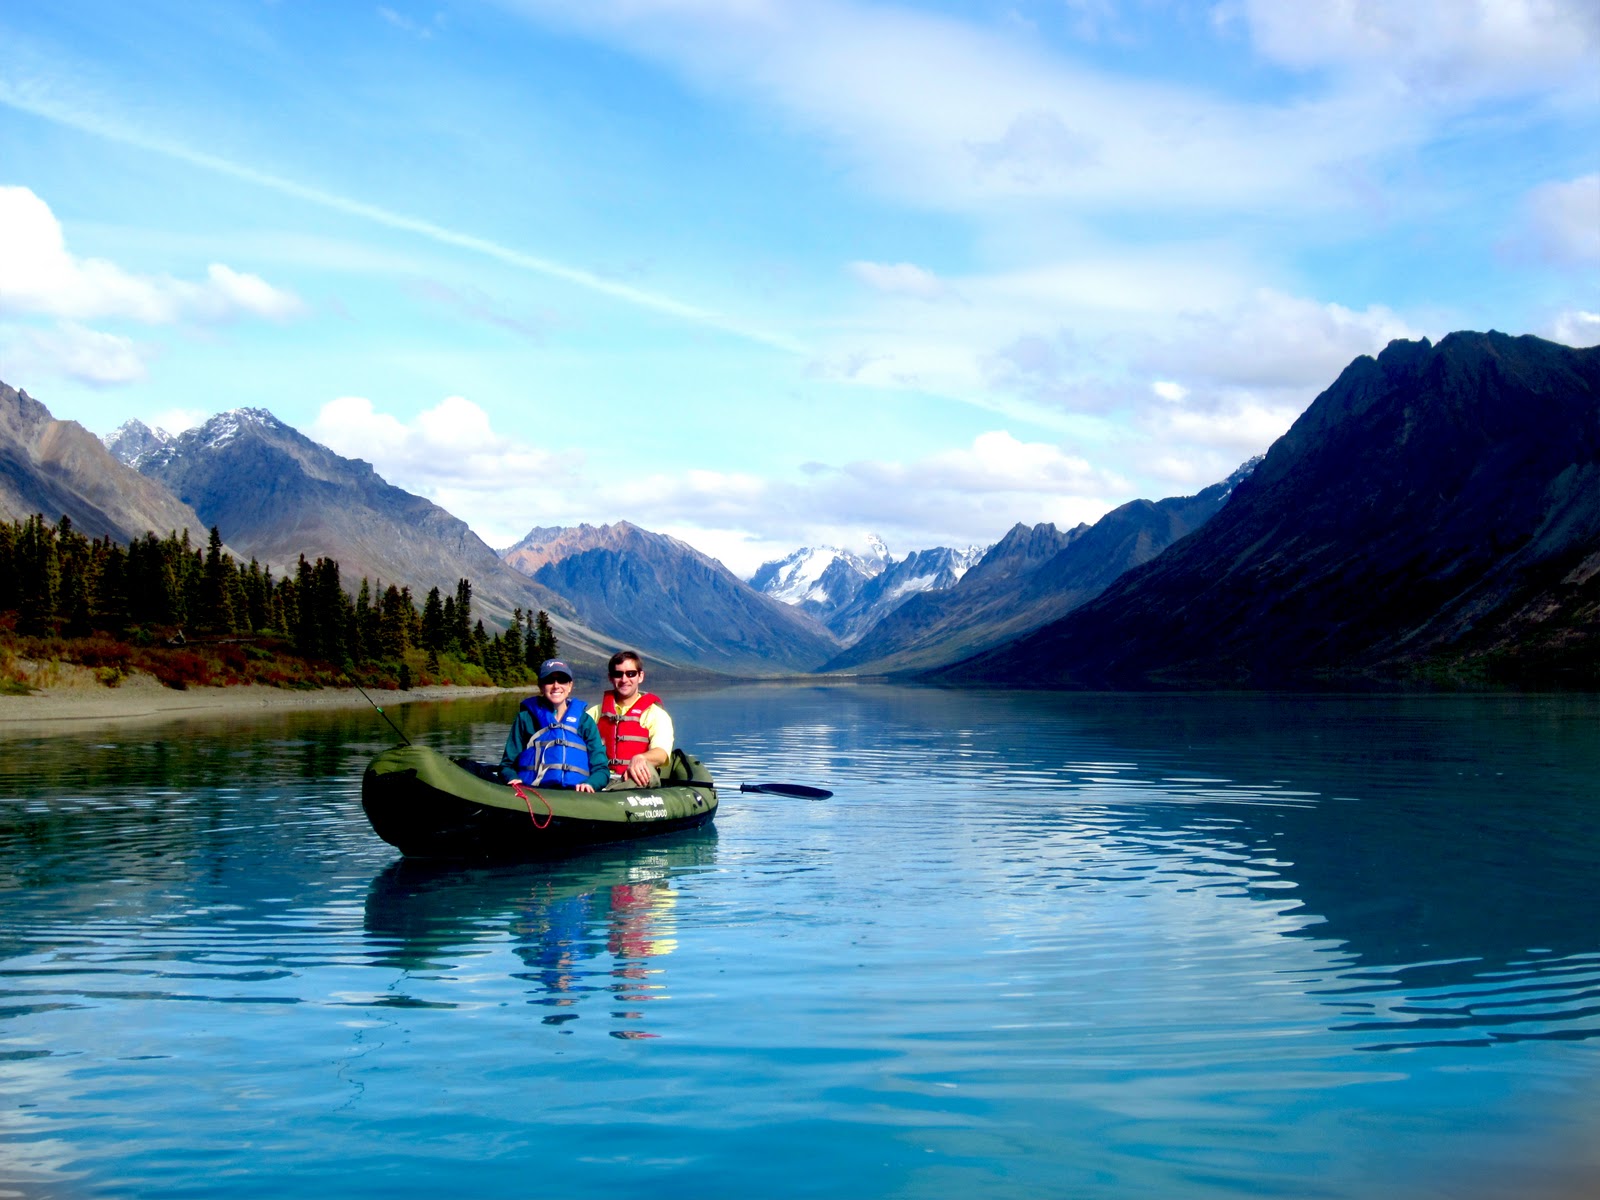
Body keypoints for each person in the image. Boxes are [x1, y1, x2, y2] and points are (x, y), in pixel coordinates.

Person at [498, 659, 609, 792]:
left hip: (576, 793)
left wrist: (591, 784)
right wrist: (512, 777)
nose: (556, 686)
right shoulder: (525, 719)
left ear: (570, 685)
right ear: (540, 686)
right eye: (549, 680)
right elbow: (507, 765)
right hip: (533, 791)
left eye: (562, 680)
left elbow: (601, 768)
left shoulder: (585, 721)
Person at [598, 649, 674, 789]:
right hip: (601, 777)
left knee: (641, 772)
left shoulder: (656, 714)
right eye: (618, 674)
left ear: (640, 676)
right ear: (610, 678)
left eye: (631, 674)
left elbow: (661, 754)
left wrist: (641, 758)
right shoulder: (595, 713)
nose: (624, 679)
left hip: (636, 781)